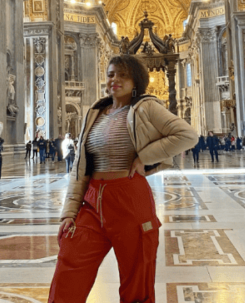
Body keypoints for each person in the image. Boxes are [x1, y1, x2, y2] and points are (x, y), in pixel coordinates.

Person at [49, 54, 196, 303]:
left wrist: (146, 157)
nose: (115, 79)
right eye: (111, 74)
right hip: (93, 200)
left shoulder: (146, 107)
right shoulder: (95, 112)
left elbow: (187, 135)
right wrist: (69, 211)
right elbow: (80, 167)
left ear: (135, 81)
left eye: (122, 75)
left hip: (129, 197)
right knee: (69, 264)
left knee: (136, 277)